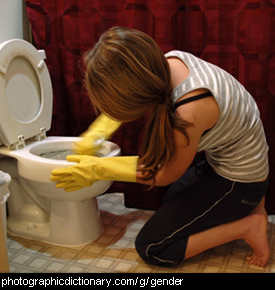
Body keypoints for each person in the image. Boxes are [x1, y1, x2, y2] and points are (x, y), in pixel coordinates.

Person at [50, 26, 270, 267]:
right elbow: (135, 89)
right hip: (229, 159)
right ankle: (253, 206)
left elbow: (165, 173)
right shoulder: (163, 64)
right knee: (170, 202)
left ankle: (248, 226)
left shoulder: (190, 110)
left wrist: (98, 169)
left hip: (240, 180)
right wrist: (96, 133)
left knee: (153, 247)